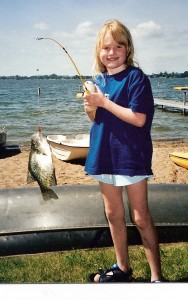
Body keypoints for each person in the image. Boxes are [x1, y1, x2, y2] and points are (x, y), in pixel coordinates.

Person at [83, 19, 163, 283]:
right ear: (99, 52)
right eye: (106, 47)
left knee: (140, 217)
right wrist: (91, 106)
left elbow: (138, 118)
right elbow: (97, 120)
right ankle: (122, 267)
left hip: (131, 157)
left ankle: (156, 277)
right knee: (113, 214)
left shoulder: (136, 78)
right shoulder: (99, 81)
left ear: (128, 49)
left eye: (119, 45)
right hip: (104, 156)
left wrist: (103, 102)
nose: (112, 51)